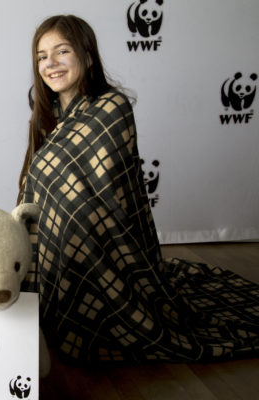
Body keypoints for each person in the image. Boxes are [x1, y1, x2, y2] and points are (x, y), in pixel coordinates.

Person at [19, 15, 259, 364]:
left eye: (62, 51)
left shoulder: (111, 106)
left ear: (86, 56)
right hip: (54, 243)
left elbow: (101, 193)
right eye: (42, 56)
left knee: (78, 215)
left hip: (100, 239)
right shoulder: (48, 113)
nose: (50, 63)